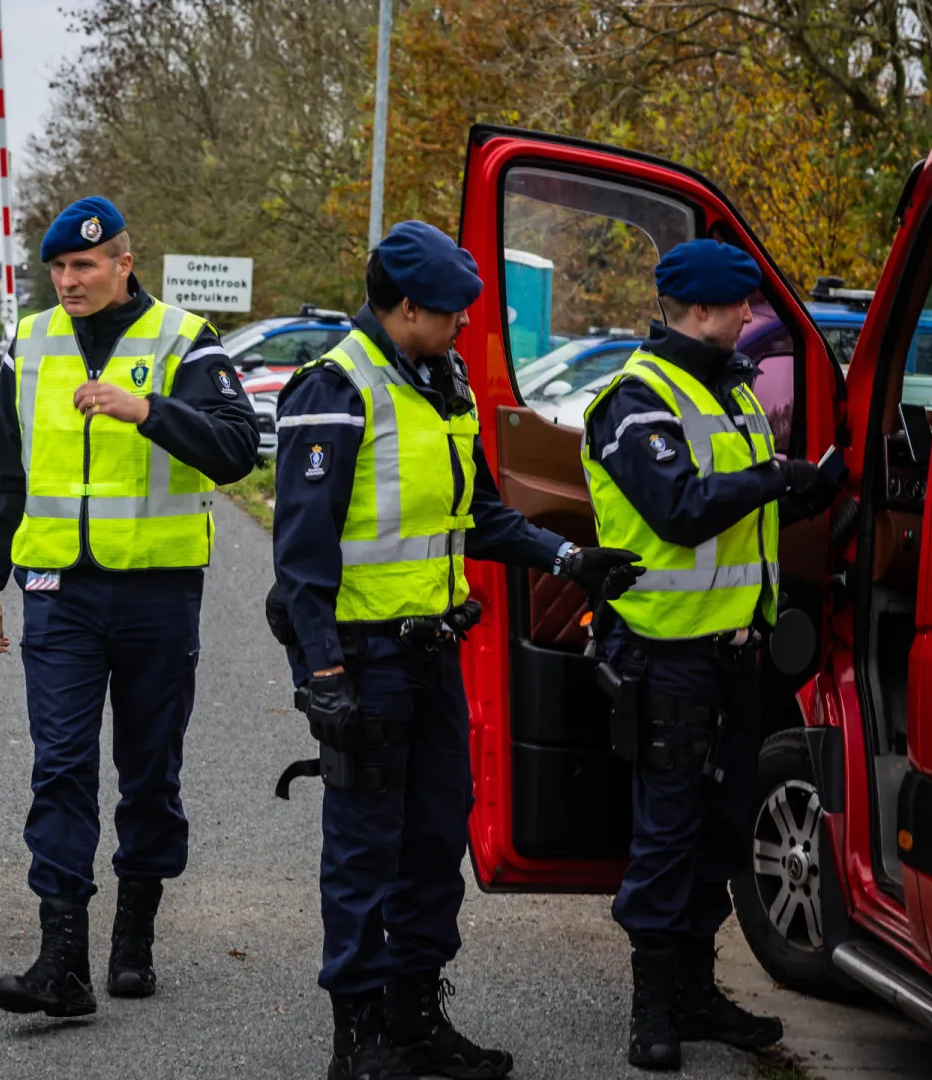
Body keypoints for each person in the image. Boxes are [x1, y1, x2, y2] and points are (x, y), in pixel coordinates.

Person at [271, 220, 640, 1080]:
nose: (463, 329)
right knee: (365, 852)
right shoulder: (335, 387)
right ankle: (356, 1039)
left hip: (432, 656)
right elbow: (300, 558)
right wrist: (321, 672)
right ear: (405, 309)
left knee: (437, 840)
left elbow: (478, 514)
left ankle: (413, 1020)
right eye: (450, 315)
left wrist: (567, 559)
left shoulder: (443, 382)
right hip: (363, 661)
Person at [0, 196, 256, 1017]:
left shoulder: (183, 339)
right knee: (59, 766)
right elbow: (7, 478)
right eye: (58, 268)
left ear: (124, 264)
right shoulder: (28, 342)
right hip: (58, 588)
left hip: (157, 595)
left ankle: (135, 937)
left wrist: (149, 412)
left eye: (84, 267)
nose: (68, 281)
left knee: (149, 772)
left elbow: (237, 450)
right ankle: (63, 957)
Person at [580, 240, 838, 1070]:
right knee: (667, 837)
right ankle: (652, 1007)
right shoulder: (636, 398)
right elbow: (681, 511)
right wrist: (777, 479)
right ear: (700, 312)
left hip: (732, 654)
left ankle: (694, 993)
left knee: (722, 835)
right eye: (740, 308)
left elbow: (742, 517)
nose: (750, 320)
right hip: (666, 656)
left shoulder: (727, 392)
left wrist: (803, 490)